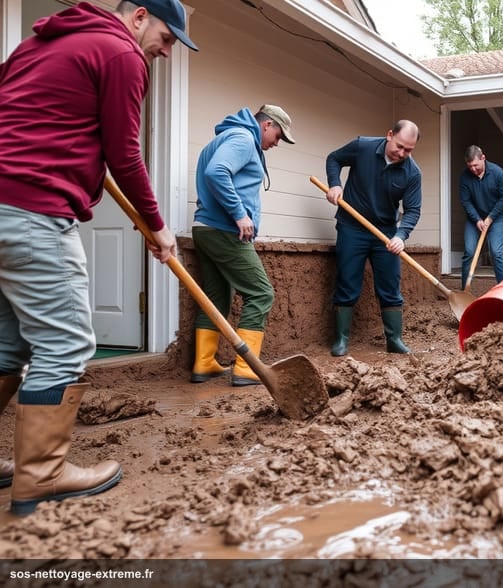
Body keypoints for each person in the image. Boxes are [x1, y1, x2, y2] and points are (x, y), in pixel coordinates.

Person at [0, 0, 197, 515]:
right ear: (137, 17)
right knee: (66, 342)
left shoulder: (37, 46)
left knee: (5, 344)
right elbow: (125, 152)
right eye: (167, 37)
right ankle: (40, 478)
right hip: (31, 208)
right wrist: (158, 226)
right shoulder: (120, 53)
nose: (167, 51)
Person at [190, 105, 295, 386]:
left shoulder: (225, 138)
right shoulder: (243, 139)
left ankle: (203, 362)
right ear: (267, 125)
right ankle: (247, 369)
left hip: (204, 228)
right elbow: (217, 172)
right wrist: (240, 214)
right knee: (261, 293)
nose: (276, 143)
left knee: (216, 296)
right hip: (224, 230)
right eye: (278, 136)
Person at [324, 121, 422, 356]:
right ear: (389, 135)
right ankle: (341, 340)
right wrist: (335, 184)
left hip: (385, 234)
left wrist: (401, 235)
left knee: (390, 286)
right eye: (399, 146)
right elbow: (333, 158)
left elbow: (413, 210)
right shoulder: (363, 147)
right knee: (348, 282)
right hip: (351, 228)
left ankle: (394, 340)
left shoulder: (412, 172)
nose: (402, 154)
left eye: (408, 150)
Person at [459, 146, 503, 287]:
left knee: (496, 252)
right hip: (475, 217)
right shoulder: (465, 177)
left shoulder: (498, 173)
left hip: (497, 216)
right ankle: (464, 291)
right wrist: (477, 219)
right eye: (470, 166)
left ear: (483, 158)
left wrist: (490, 218)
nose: (473, 169)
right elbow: (466, 201)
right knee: (469, 252)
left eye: (475, 165)